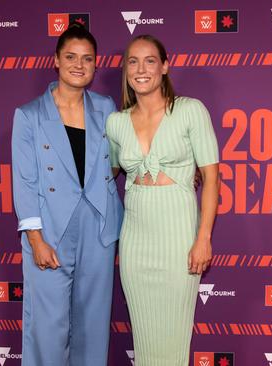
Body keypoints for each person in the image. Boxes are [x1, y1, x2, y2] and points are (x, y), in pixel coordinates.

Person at [11, 24, 123, 366]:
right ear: (56, 61)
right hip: (50, 230)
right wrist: (35, 239)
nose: (79, 64)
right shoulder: (29, 115)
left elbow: (123, 158)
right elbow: (25, 181)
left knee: (92, 323)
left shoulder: (106, 108)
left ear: (95, 64)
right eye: (71, 57)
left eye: (87, 58)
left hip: (99, 228)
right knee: (47, 326)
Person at [106, 35, 220, 366]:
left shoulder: (190, 111)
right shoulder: (115, 123)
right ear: (126, 69)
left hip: (179, 238)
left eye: (150, 60)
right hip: (135, 242)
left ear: (165, 66)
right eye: (133, 61)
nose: (141, 69)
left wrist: (203, 238)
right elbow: (103, 175)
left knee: (174, 337)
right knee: (144, 339)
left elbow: (211, 178)